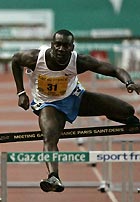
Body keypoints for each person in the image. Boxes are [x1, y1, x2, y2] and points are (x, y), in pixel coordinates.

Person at [11, 29, 140, 192]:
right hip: (49, 105)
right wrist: (21, 92)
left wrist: (129, 82)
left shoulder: (79, 61)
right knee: (50, 137)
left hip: (76, 98)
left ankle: (133, 123)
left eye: (66, 46)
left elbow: (113, 70)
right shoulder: (35, 58)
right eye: (57, 45)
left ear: (72, 48)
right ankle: (53, 177)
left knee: (127, 110)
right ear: (52, 45)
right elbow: (15, 60)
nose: (61, 49)